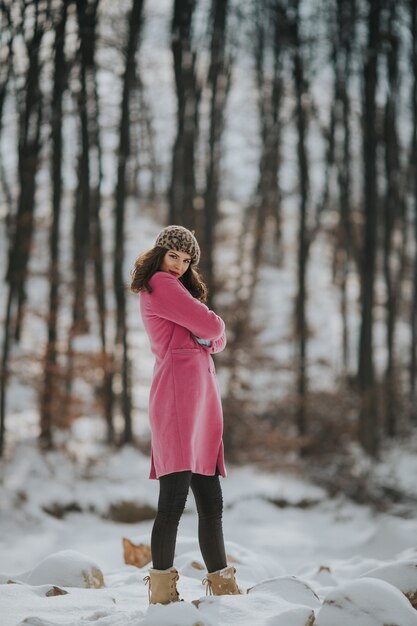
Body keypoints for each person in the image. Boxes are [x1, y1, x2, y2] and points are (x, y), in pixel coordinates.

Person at [130, 225, 241, 605]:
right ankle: (161, 594)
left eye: (186, 260)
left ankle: (224, 588)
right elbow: (214, 327)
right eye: (173, 255)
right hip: (179, 400)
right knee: (173, 501)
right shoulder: (161, 284)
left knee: (211, 503)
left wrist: (206, 333)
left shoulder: (177, 290)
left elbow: (216, 340)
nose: (178, 265)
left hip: (200, 403)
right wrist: (207, 330)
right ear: (160, 253)